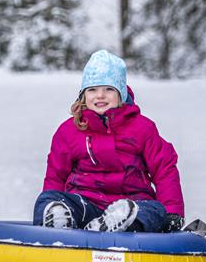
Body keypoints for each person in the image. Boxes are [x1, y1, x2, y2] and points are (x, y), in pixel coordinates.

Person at [34, 49, 185, 233]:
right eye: (92, 90)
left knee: (155, 211)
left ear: (120, 93)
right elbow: (56, 174)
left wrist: (172, 212)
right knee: (49, 198)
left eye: (108, 89)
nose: (100, 95)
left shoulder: (142, 128)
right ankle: (59, 221)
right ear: (83, 95)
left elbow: (164, 168)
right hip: (86, 205)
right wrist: (53, 201)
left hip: (134, 204)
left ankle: (121, 222)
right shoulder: (69, 131)